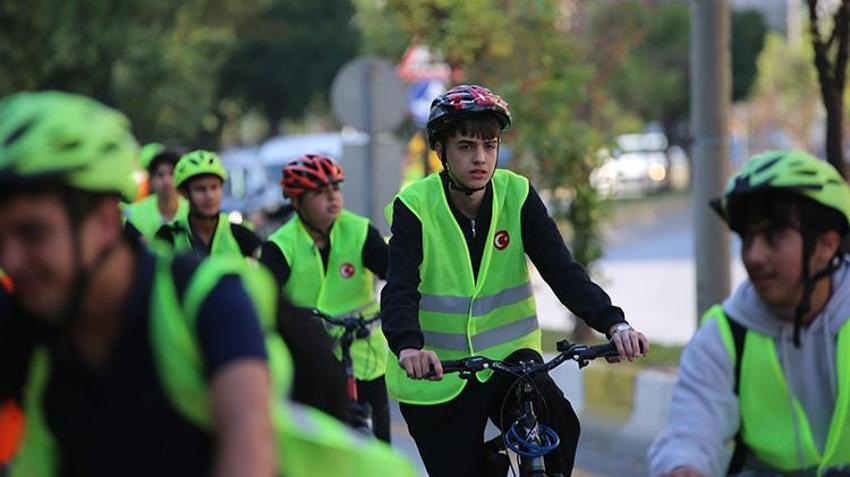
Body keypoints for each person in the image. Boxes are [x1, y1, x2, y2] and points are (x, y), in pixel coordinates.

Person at [0, 91, 275, 476]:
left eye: (33, 233)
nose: (11, 260)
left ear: (104, 222)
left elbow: (248, 439)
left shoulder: (206, 300)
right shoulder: (28, 318)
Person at [381, 84, 649, 476]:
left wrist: (615, 323)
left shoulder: (517, 194)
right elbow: (399, 288)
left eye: (490, 145)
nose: (481, 158)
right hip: (438, 373)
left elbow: (563, 271)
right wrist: (408, 347)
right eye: (466, 146)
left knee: (558, 425)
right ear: (441, 150)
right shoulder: (415, 207)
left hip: (510, 362)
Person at [648, 150, 850, 477]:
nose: (753, 256)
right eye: (747, 238)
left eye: (773, 237)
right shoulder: (724, 332)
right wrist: (681, 467)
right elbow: (689, 433)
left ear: (826, 245)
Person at [259, 154, 392, 442]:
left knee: (380, 444)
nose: (332, 198)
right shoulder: (280, 246)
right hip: (310, 361)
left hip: (364, 356)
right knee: (319, 445)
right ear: (296, 203)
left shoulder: (358, 230)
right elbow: (263, 298)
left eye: (336, 189)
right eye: (320, 193)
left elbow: (395, 273)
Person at [155, 150, 261, 258]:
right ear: (184, 193)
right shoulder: (168, 234)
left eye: (214, 187)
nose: (210, 196)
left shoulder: (240, 233)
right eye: (200, 189)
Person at [121, 143, 189, 242]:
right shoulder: (134, 213)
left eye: (172, 174)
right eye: (160, 175)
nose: (166, 181)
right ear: (151, 180)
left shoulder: (192, 211)